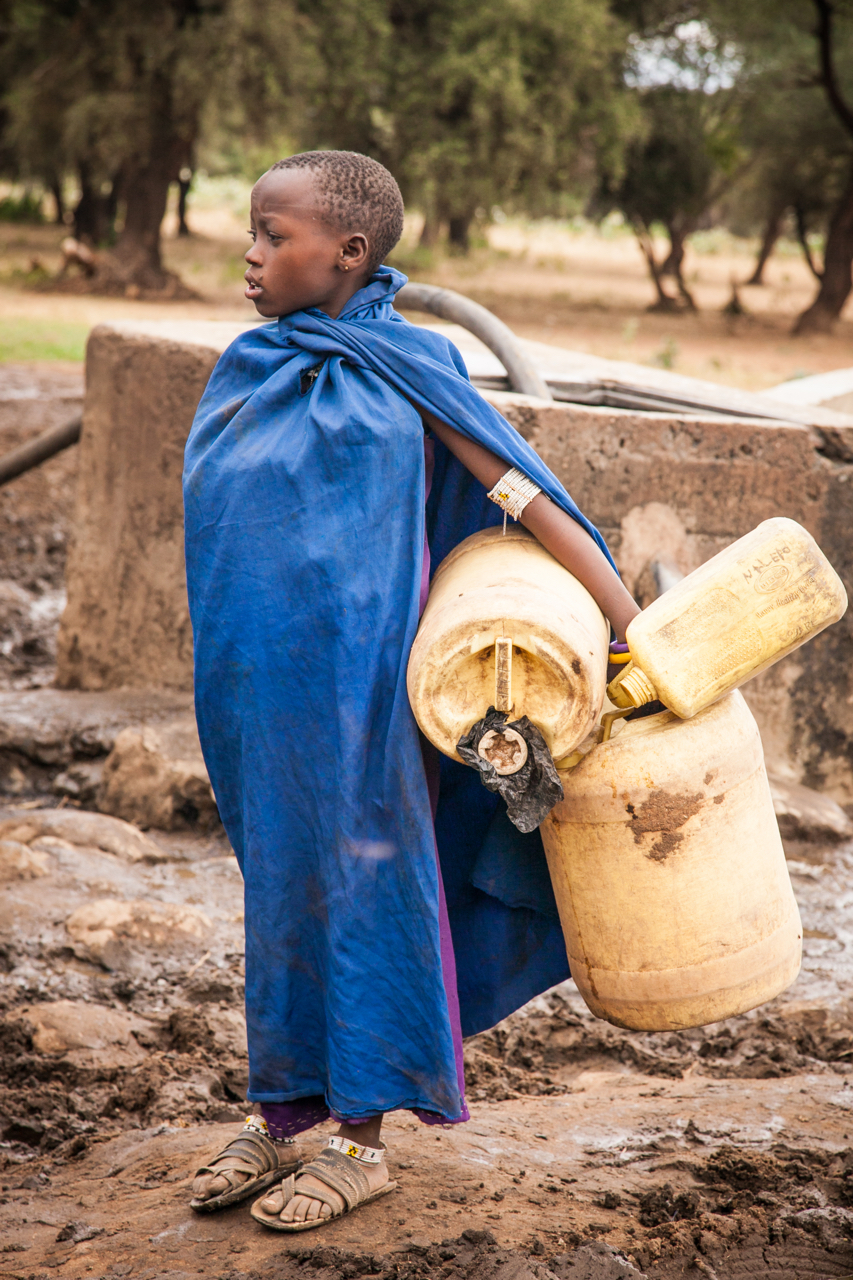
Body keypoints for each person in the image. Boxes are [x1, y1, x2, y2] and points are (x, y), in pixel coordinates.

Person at [183, 151, 639, 1232]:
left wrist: (631, 626)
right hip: (259, 702)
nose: (250, 254)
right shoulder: (248, 364)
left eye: (273, 234)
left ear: (347, 251)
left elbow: (519, 491)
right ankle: (282, 1109)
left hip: (370, 705)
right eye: (251, 232)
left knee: (371, 893)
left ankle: (361, 1135)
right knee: (280, 889)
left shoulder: (408, 367)